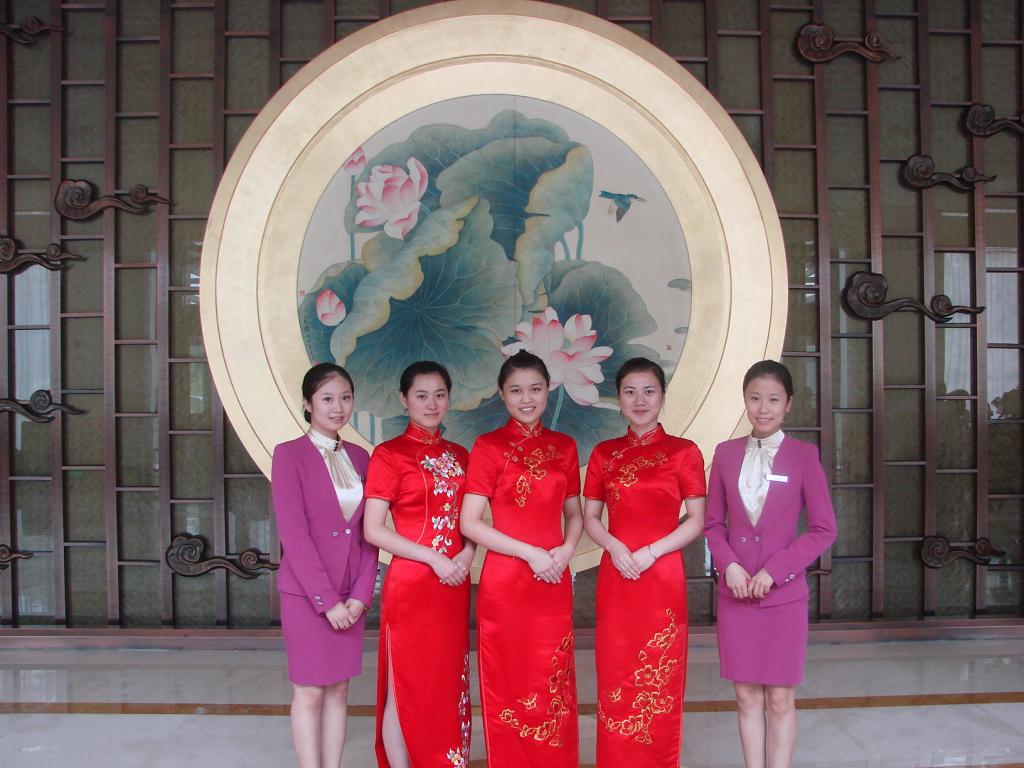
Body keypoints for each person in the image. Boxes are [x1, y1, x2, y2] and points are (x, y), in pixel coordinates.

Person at [704, 360, 837, 768]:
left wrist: (775, 571)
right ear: (744, 400)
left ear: (788, 404)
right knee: (746, 696)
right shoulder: (725, 454)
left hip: (783, 598)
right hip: (736, 594)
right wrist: (729, 565)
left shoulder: (804, 456)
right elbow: (713, 523)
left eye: (773, 400)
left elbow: (824, 529)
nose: (764, 408)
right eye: (755, 398)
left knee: (779, 699)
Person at [460, 350, 583, 768]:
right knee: (509, 683)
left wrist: (566, 550)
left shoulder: (565, 447)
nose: (526, 399)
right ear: (502, 394)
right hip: (507, 583)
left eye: (535, 389)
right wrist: (530, 553)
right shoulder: (488, 446)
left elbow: (574, 513)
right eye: (516, 391)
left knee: (554, 681)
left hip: (553, 578)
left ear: (549, 390)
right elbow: (470, 522)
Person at [582, 357, 707, 767]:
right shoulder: (604, 454)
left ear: (663, 396)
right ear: (618, 399)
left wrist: (652, 552)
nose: (640, 400)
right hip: (617, 574)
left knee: (660, 675)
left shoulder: (684, 452)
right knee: (616, 673)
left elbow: (697, 520)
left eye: (649, 391)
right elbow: (590, 518)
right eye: (630, 392)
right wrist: (615, 548)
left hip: (662, 575)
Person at [362, 361, 473, 768]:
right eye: (421, 395)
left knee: (446, 680)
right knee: (404, 685)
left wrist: (466, 554)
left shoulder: (461, 455)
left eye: (439, 395)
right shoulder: (389, 454)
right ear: (403, 399)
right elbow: (373, 529)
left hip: (453, 583)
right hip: (413, 585)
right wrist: (432, 557)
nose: (431, 404)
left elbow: (470, 521)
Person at [271, 363, 378, 768]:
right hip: (307, 595)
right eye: (327, 399)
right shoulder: (289, 455)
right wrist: (327, 601)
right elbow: (294, 535)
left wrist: (361, 596)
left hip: (351, 595)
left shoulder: (361, 457)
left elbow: (370, 532)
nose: (338, 407)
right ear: (307, 404)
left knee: (339, 690)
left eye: (345, 398)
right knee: (310, 691)